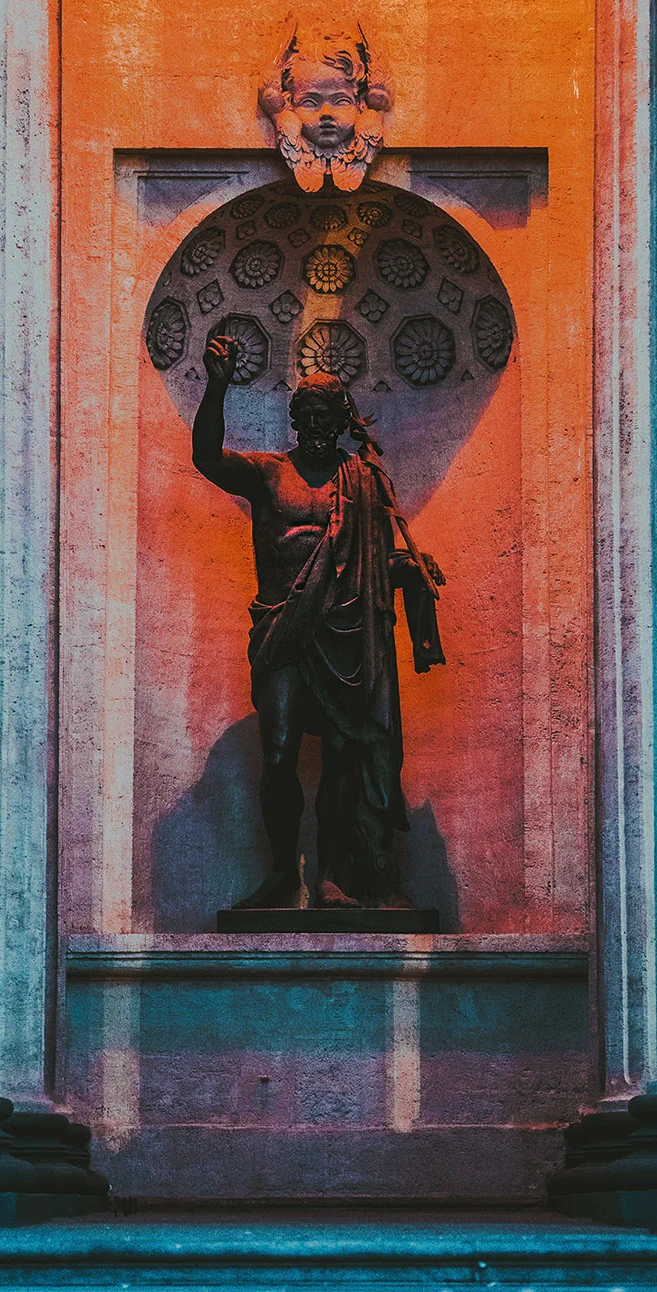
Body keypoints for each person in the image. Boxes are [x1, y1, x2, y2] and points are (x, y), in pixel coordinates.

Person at [192, 330, 445, 909]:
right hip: (283, 632)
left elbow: (375, 562)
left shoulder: (363, 481)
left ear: (340, 421)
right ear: (293, 418)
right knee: (278, 751)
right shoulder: (268, 474)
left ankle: (330, 875)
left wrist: (410, 565)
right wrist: (216, 388)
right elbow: (206, 457)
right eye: (304, 412)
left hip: (347, 632)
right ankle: (283, 872)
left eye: (325, 413)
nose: (313, 423)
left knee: (341, 756)